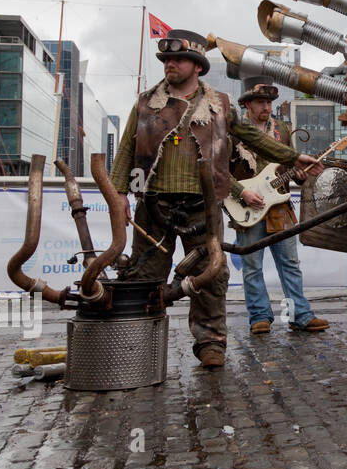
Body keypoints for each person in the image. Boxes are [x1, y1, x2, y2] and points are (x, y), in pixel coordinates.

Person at [108, 31, 324, 368]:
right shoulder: (145, 102)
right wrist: (119, 194)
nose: (170, 65)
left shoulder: (220, 104)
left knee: (210, 276)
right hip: (152, 205)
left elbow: (252, 136)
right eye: (166, 60)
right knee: (142, 276)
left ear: (197, 66)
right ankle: (137, 340)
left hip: (202, 207)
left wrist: (293, 158)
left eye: (177, 60)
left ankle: (211, 342)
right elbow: (125, 151)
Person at [230, 78, 329, 334]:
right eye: (260, 102)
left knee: (290, 263)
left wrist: (298, 174)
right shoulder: (233, 131)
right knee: (252, 266)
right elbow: (221, 170)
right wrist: (242, 193)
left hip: (279, 204)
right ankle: (259, 316)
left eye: (269, 102)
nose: (266, 107)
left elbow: (290, 163)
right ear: (248, 105)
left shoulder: (283, 130)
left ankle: (300, 315)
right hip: (248, 205)